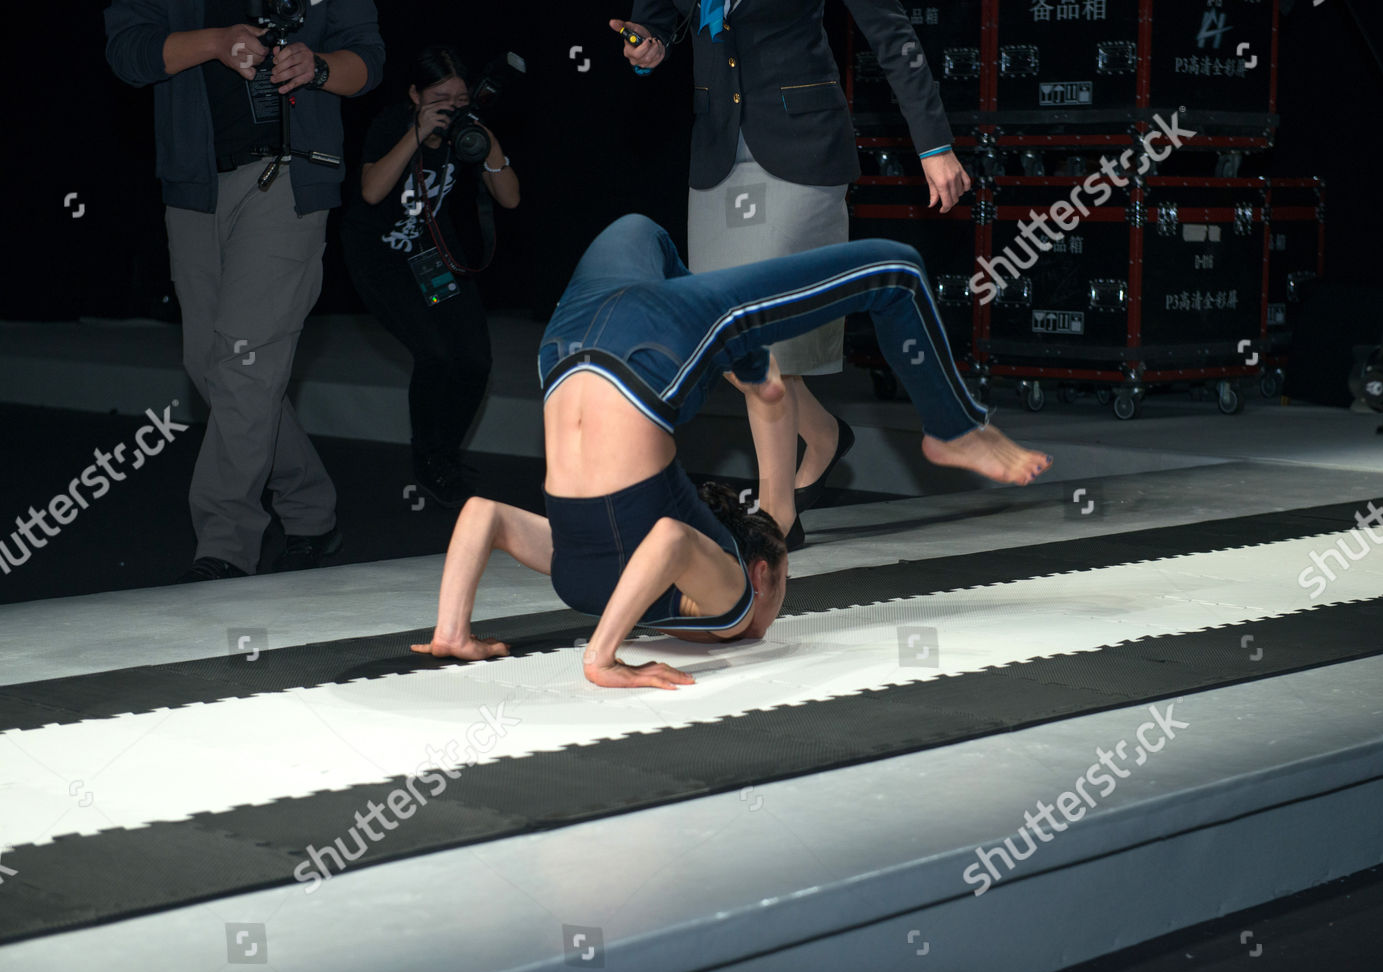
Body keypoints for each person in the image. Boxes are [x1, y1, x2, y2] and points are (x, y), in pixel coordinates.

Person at [412, 215, 1051, 690]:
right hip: (564, 351)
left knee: (897, 270)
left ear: (765, 571)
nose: (768, 613)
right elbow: (485, 516)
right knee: (643, 230)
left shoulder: (733, 597)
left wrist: (602, 657)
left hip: (646, 346)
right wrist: (463, 632)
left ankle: (953, 426)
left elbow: (668, 541)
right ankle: (762, 362)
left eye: (780, 594)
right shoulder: (579, 578)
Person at [612, 1, 971, 549]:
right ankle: (823, 435)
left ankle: (776, 515)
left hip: (802, 150)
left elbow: (891, 31)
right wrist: (647, 46)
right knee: (727, 347)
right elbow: (658, 22)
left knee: (763, 343)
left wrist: (934, 142)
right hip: (718, 152)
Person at [104, 1, 384, 580]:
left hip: (288, 179)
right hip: (195, 186)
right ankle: (310, 510)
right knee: (213, 365)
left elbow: (369, 59)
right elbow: (127, 53)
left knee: (242, 366)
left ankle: (225, 545)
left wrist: (320, 67)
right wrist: (213, 42)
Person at [342, 45, 520, 508]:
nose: (450, 109)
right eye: (439, 98)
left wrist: (490, 144)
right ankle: (429, 464)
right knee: (434, 354)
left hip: (434, 255)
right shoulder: (390, 125)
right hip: (381, 259)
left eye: (459, 101)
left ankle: (444, 455)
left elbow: (510, 200)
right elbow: (371, 190)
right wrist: (416, 134)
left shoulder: (466, 134)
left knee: (475, 361)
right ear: (414, 95)